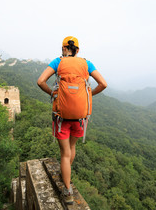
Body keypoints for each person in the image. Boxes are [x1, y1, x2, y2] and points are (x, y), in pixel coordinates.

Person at [37, 36, 107, 204]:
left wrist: (54, 94)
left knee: (64, 154)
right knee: (72, 147)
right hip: (80, 117)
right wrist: (89, 94)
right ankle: (67, 175)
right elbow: (103, 84)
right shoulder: (86, 63)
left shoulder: (58, 62)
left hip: (61, 116)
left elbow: (40, 81)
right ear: (78, 50)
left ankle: (67, 192)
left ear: (63, 49)